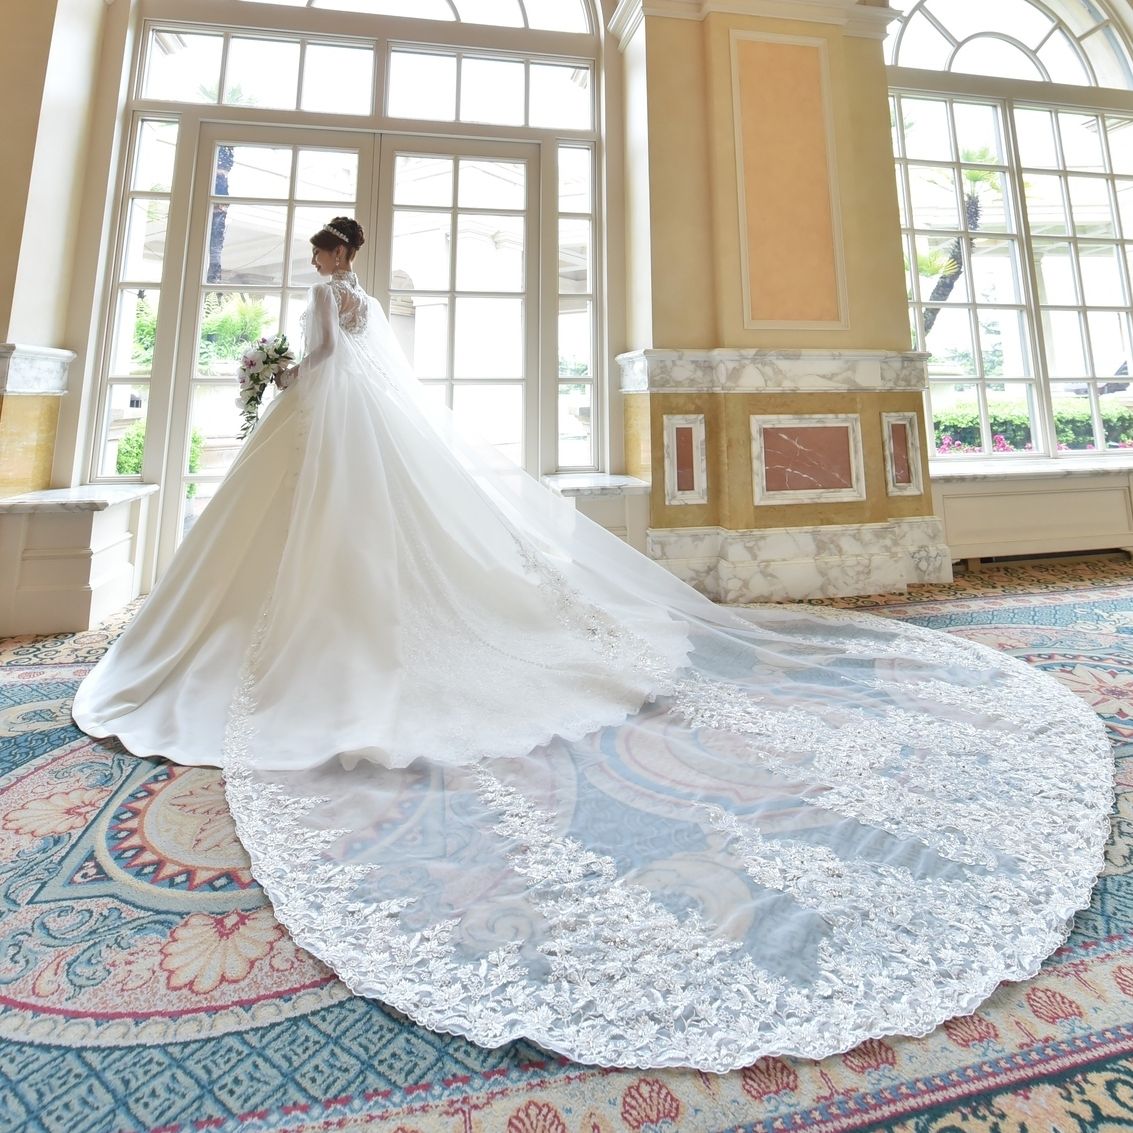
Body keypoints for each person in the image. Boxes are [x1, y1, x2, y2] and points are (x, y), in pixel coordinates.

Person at [72, 216, 1112, 1073]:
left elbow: (321, 363)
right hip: (356, 427)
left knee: (324, 541)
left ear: (332, 254)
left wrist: (275, 377)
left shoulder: (327, 299)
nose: (318, 259)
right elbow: (363, 358)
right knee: (355, 543)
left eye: (322, 248)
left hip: (321, 421)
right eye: (322, 251)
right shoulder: (366, 299)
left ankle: (313, 641)